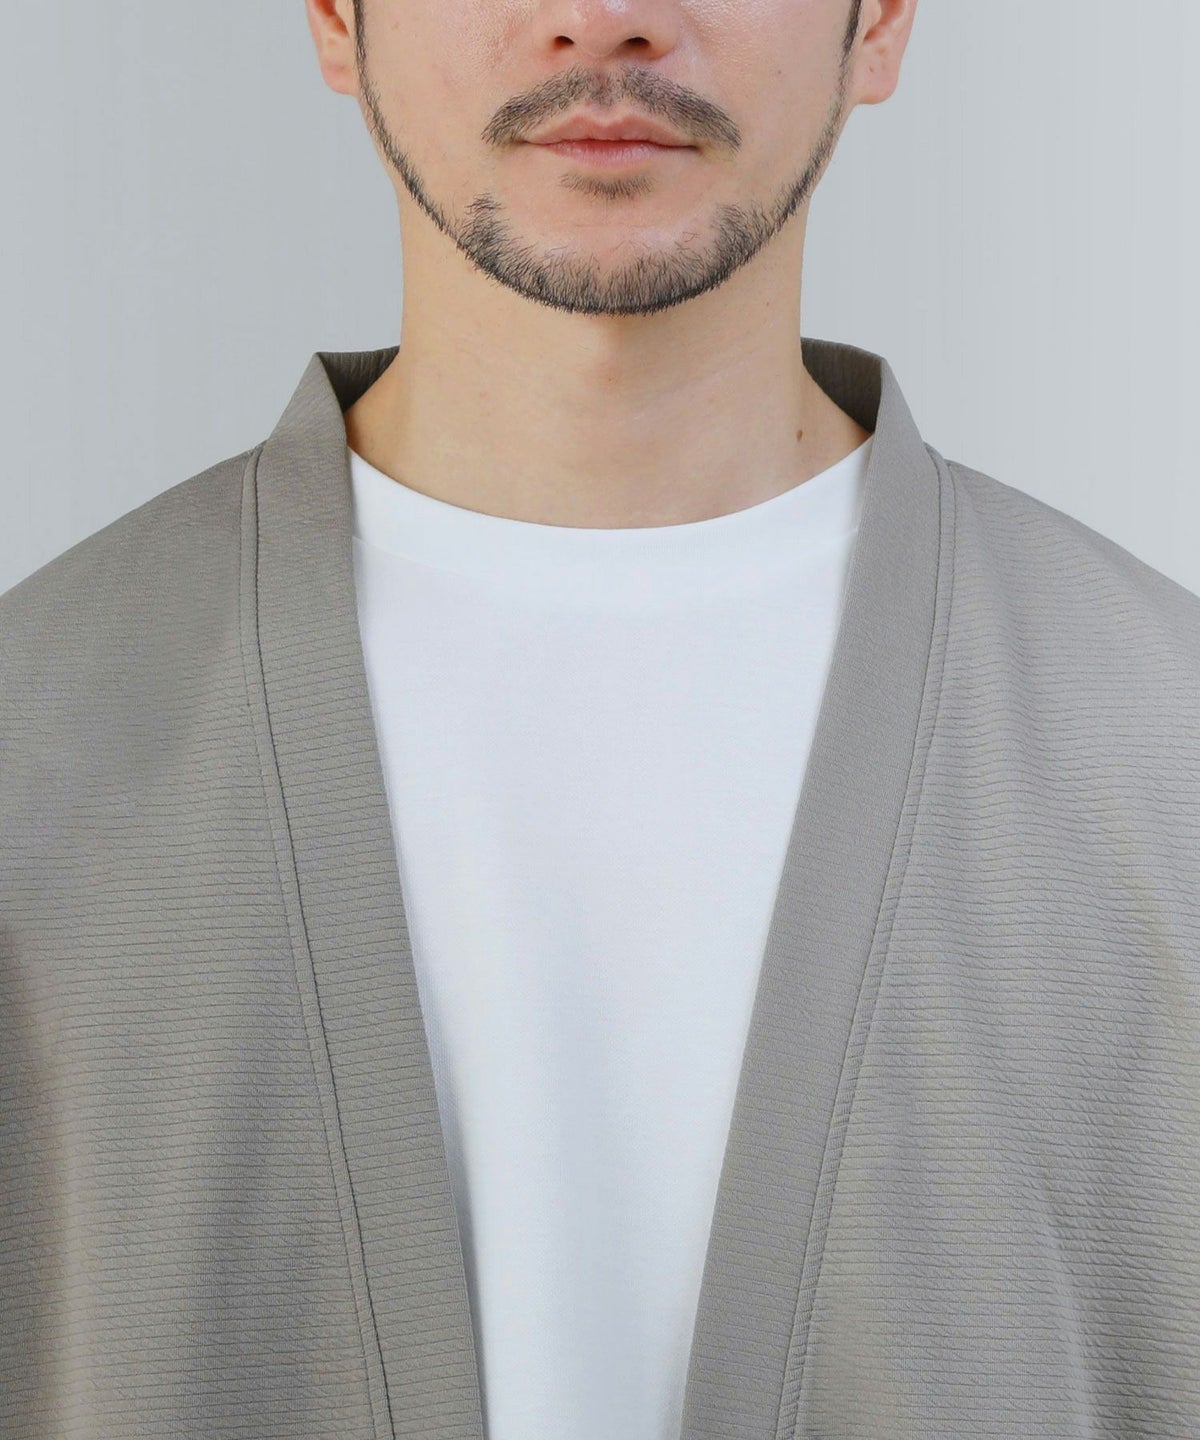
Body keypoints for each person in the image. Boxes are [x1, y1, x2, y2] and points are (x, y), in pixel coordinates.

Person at [3, 1, 1198, 1436]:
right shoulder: (34, 752)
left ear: (877, 21)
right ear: (334, 16)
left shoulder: (1163, 754)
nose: (603, 19)